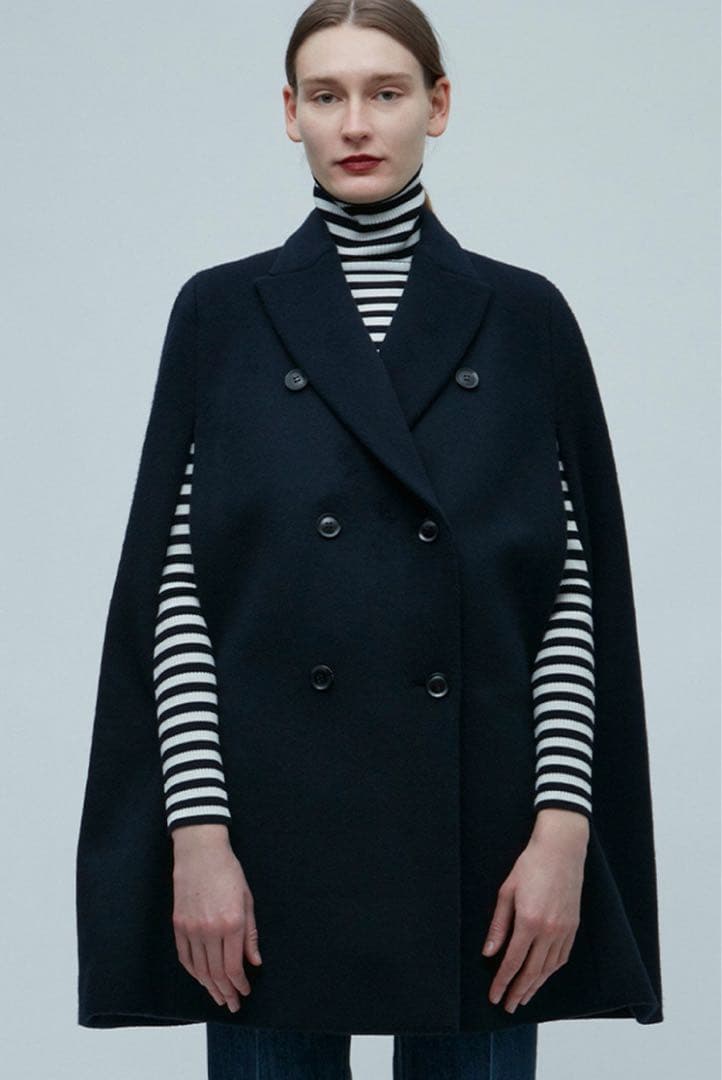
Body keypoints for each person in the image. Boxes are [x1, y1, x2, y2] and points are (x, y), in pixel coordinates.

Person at [75, 1, 663, 1077]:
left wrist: (562, 831)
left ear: (437, 106)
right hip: (264, 832)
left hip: (483, 835)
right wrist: (196, 838)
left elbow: (567, 600)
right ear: (287, 112)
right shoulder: (219, 315)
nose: (355, 122)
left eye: (385, 92)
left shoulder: (524, 318)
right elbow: (177, 594)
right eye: (326, 94)